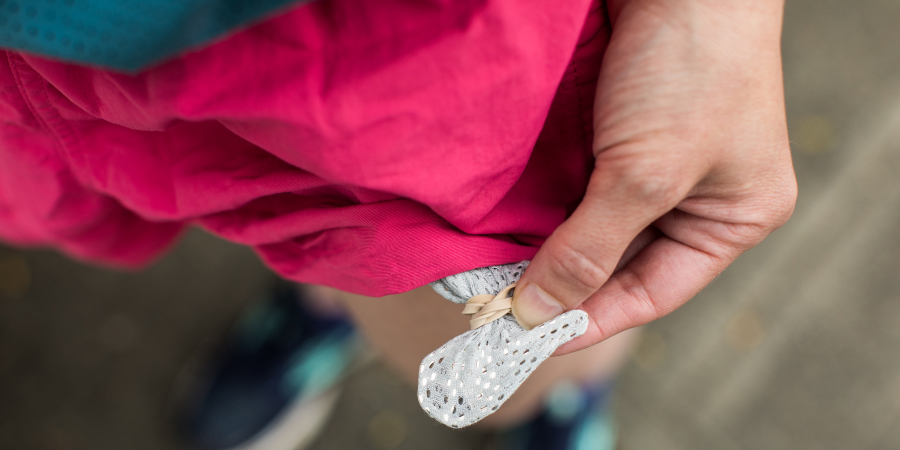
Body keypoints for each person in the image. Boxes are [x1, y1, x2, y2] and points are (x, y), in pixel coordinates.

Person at [0, 0, 796, 448]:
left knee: (565, 262)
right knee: (240, 194)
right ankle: (324, 300)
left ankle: (565, 394)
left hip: (419, 52)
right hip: (55, 48)